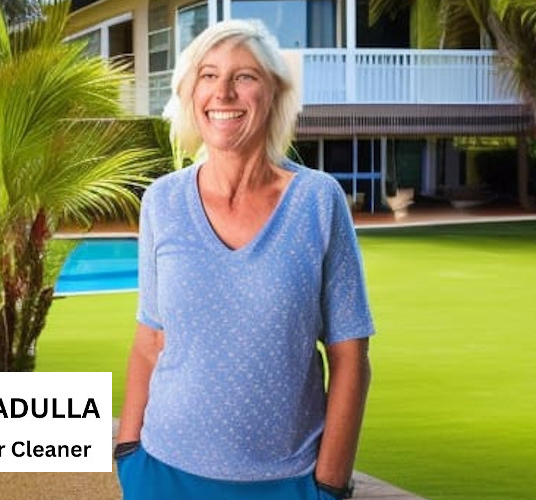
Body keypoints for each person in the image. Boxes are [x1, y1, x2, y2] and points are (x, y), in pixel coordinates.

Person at [115, 19, 374, 500]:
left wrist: (329, 486)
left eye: (245, 77)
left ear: (273, 92)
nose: (224, 92)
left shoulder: (318, 201)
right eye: (208, 75)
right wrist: (129, 453)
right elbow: (150, 339)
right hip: (161, 473)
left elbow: (350, 355)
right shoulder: (162, 201)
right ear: (191, 93)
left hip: (288, 482)